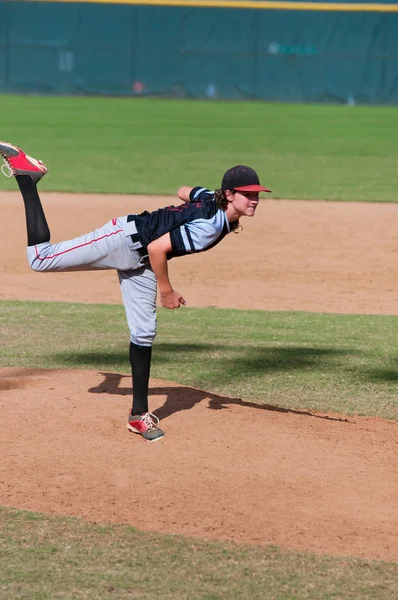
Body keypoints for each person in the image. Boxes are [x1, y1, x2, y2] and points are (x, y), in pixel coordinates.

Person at [0, 141, 271, 442]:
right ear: (230, 195)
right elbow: (158, 248)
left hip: (138, 258)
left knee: (143, 332)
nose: (255, 199)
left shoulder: (213, 200)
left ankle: (138, 416)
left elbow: (184, 190)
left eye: (256, 194)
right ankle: (27, 176)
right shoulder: (211, 225)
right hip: (123, 239)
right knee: (41, 258)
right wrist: (166, 291)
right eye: (248, 194)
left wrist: (206, 197)